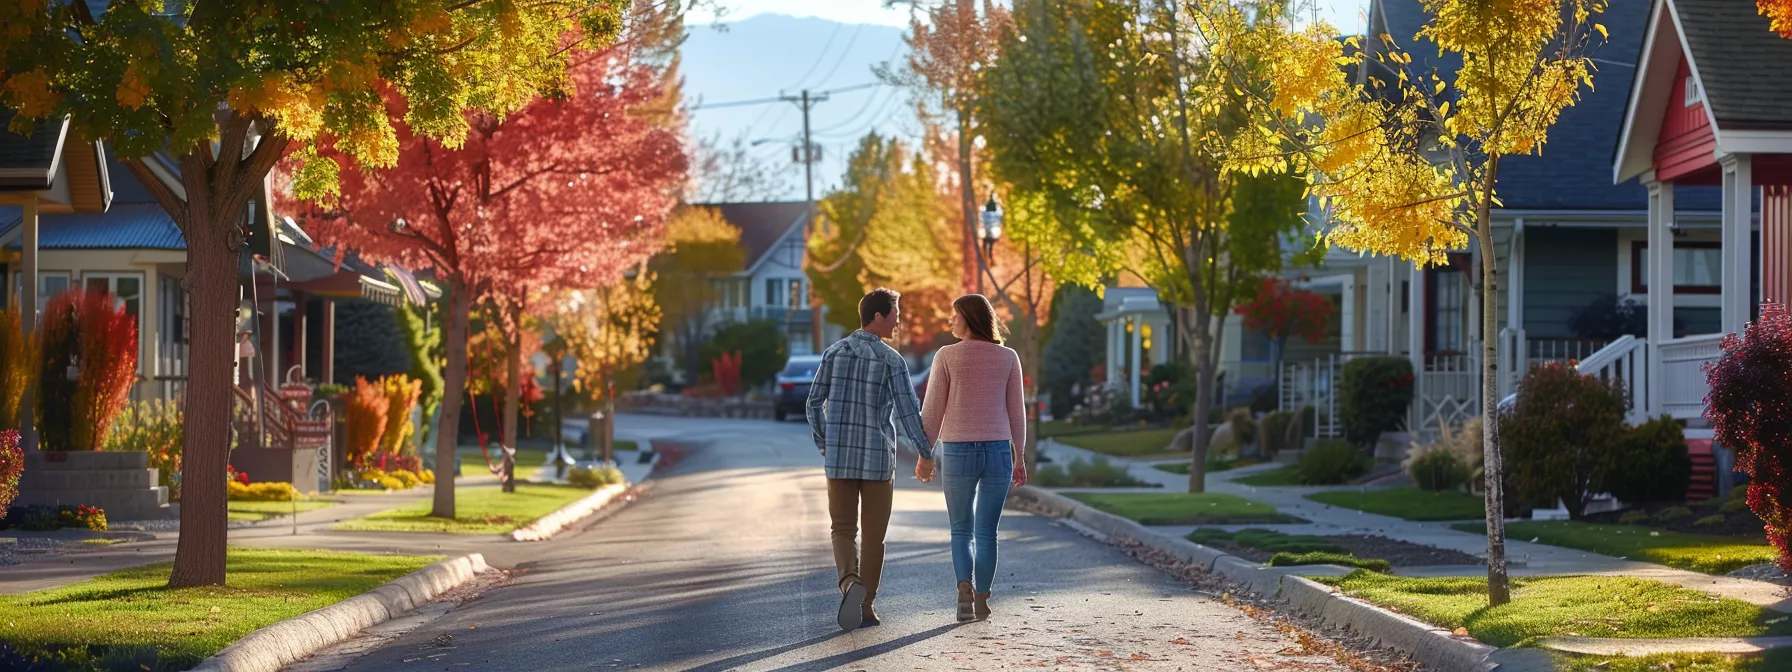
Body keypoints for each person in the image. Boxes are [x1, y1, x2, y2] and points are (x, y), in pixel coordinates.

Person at [805, 287, 933, 632]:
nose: (898, 321)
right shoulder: (892, 360)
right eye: (895, 313)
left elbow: (813, 403)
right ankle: (866, 606)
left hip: (840, 458)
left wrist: (825, 442)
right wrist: (926, 452)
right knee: (875, 536)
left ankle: (850, 583)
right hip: (878, 460)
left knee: (843, 529)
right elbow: (908, 414)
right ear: (878, 316)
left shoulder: (834, 353)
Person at [916, 293, 1028, 623]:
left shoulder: (947, 356)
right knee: (987, 532)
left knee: (961, 530)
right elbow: (1016, 413)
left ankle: (963, 590)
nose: (951, 321)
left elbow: (932, 410)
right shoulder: (1008, 357)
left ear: (968, 318)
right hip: (997, 453)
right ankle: (982, 600)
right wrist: (1019, 455)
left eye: (955, 316)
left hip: (958, 451)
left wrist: (926, 454)